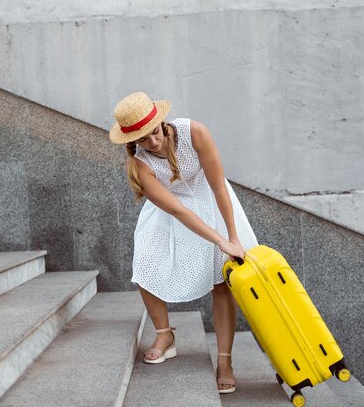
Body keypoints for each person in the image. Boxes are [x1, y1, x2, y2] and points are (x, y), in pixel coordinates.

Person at [109, 92, 259, 394]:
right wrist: (217, 240)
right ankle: (165, 335)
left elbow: (219, 186)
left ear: (161, 121)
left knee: (221, 278)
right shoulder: (140, 165)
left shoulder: (195, 133)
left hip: (213, 200)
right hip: (173, 209)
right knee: (146, 264)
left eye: (154, 132)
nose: (152, 142)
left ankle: (225, 361)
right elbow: (177, 210)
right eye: (142, 139)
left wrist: (231, 237)